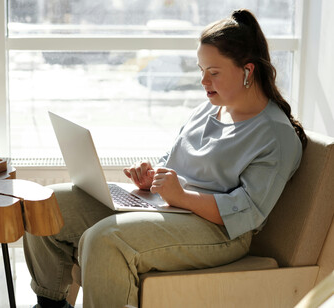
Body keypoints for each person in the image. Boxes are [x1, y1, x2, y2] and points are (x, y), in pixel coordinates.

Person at [24, 9, 307, 308]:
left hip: (219, 232)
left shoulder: (275, 136)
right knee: (47, 204)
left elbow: (247, 213)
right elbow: (172, 161)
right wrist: (152, 177)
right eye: (201, 70)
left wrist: (182, 197)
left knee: (105, 240)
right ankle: (50, 305)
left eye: (214, 72)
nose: (203, 81)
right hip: (169, 208)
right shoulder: (208, 109)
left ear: (247, 71)